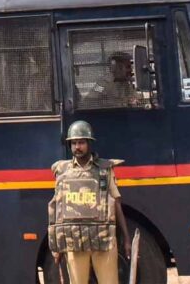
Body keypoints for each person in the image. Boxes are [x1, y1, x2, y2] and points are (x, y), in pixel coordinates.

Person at [48, 120, 131, 284]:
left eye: (81, 142)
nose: (77, 147)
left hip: (103, 240)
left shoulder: (104, 169)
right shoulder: (62, 171)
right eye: (73, 143)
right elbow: (57, 209)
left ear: (89, 143)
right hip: (74, 241)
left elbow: (116, 203)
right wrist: (56, 245)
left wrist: (126, 239)